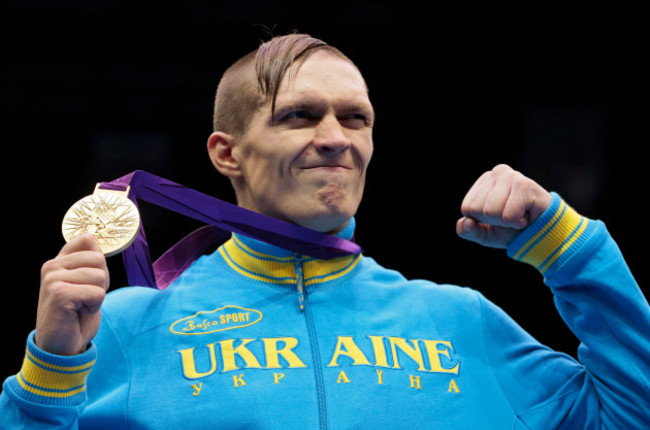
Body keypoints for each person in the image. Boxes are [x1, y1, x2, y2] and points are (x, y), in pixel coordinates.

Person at [1, 32, 649, 429]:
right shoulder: (125, 325)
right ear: (227, 153)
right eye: (301, 116)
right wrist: (50, 373)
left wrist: (570, 246)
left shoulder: (460, 323)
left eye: (355, 118)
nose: (336, 139)